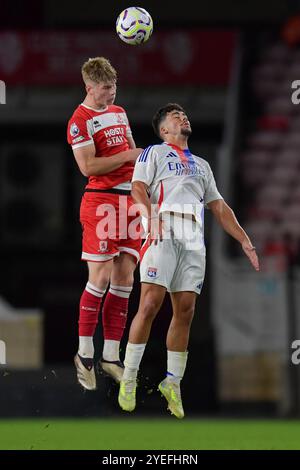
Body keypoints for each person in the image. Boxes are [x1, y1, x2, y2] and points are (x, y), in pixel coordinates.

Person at [118, 103, 260, 418]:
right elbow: (138, 187)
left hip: (194, 239)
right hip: (163, 229)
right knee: (150, 304)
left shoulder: (202, 165)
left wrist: (244, 239)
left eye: (184, 114)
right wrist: (148, 214)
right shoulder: (153, 153)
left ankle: (173, 382)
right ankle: (128, 377)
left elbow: (220, 207)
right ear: (164, 129)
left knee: (186, 311)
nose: (183, 116)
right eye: (175, 115)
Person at [67, 57, 143, 390]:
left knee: (125, 278)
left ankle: (110, 355)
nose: (111, 94)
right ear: (89, 87)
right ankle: (84, 353)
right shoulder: (79, 121)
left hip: (129, 201)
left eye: (114, 87)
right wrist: (127, 156)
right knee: (99, 276)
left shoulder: (119, 112)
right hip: (101, 201)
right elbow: (88, 167)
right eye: (105, 88)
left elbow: (132, 153)